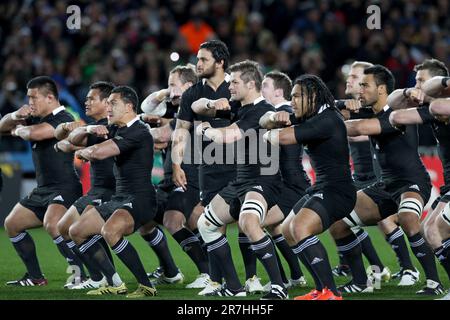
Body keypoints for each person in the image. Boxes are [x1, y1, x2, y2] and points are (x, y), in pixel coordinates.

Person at [330, 65, 444, 295]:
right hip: (385, 185)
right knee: (337, 222)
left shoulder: (396, 113)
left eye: (365, 85)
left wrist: (325, 129)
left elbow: (360, 127)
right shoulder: (373, 110)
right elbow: (333, 109)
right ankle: (361, 281)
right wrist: (341, 105)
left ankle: (433, 281)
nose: (360, 89)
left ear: (381, 89)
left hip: (411, 182)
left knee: (409, 218)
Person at [195, 60, 287, 299]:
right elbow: (196, 107)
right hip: (240, 182)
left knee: (248, 223)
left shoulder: (261, 110)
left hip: (263, 180)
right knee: (205, 224)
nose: (230, 86)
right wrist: (210, 103)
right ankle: (235, 287)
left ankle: (279, 287)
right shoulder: (237, 106)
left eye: (234, 82)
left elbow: (227, 136)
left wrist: (205, 130)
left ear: (251, 84)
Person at [264, 74, 355, 301]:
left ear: (312, 96)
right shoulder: (313, 115)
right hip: (321, 187)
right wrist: (275, 116)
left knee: (301, 228)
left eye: (296, 96)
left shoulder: (327, 119)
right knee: (287, 230)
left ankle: (332, 293)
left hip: (337, 191)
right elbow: (264, 119)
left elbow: (283, 138)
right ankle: (320, 289)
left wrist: (270, 130)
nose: (292, 101)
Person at [68, 86, 158, 298]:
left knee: (110, 231)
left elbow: (99, 152)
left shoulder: (137, 131)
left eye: (113, 103)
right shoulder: (117, 129)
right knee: (76, 231)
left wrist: (85, 151)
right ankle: (115, 283)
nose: (108, 107)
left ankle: (146, 286)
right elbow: (72, 139)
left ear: (128, 106)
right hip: (120, 198)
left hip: (141, 198)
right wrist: (88, 131)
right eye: (107, 103)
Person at [0, 76, 83, 286]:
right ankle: (35, 277)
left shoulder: (64, 117)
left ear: (49, 98)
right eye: (28, 98)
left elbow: (35, 134)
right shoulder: (33, 116)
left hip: (65, 186)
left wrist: (18, 129)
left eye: (33, 97)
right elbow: (1, 127)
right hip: (43, 189)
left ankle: (80, 275)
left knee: (53, 224)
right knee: (12, 224)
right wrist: (15, 115)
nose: (30, 102)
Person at [171, 40, 237, 295]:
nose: (198, 64)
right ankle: (218, 280)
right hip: (208, 167)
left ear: (220, 62)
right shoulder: (192, 93)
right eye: (197, 59)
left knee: (249, 223)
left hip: (242, 164)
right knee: (212, 224)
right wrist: (176, 163)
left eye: (204, 59)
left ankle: (263, 278)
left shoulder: (237, 86)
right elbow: (181, 130)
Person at [140, 65, 210, 289]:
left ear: (188, 86)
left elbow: (163, 134)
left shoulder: (193, 108)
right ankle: (170, 270)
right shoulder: (177, 107)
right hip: (171, 178)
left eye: (172, 84)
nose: (169, 91)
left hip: (188, 175)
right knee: (147, 219)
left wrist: (129, 136)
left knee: (178, 222)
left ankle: (208, 273)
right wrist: (165, 92)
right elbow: (147, 105)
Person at [389, 59, 450, 298]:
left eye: (421, 81)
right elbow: (396, 115)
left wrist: (434, 90)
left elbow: (439, 107)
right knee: (428, 229)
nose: (417, 85)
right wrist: (406, 92)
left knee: (436, 229)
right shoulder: (431, 108)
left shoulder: (441, 106)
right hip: (448, 186)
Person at [54, 81, 117, 289]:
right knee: (65, 228)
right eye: (87, 98)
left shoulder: (111, 127)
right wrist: (79, 132)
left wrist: (72, 142)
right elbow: (65, 142)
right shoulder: (94, 129)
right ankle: (100, 277)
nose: (86, 101)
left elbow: (69, 143)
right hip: (96, 189)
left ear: (106, 102)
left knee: (73, 229)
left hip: (110, 190)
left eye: (92, 98)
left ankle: (107, 279)